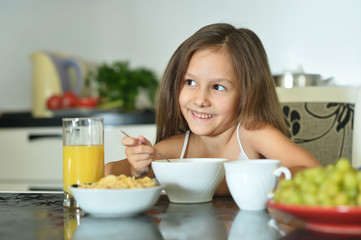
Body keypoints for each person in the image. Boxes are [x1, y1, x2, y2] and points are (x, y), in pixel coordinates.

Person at [105, 23, 321, 196]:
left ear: (247, 94)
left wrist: (233, 183)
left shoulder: (253, 133)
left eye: (218, 87)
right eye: (190, 82)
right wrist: (136, 168)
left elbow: (314, 173)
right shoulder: (173, 150)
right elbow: (104, 173)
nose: (200, 100)